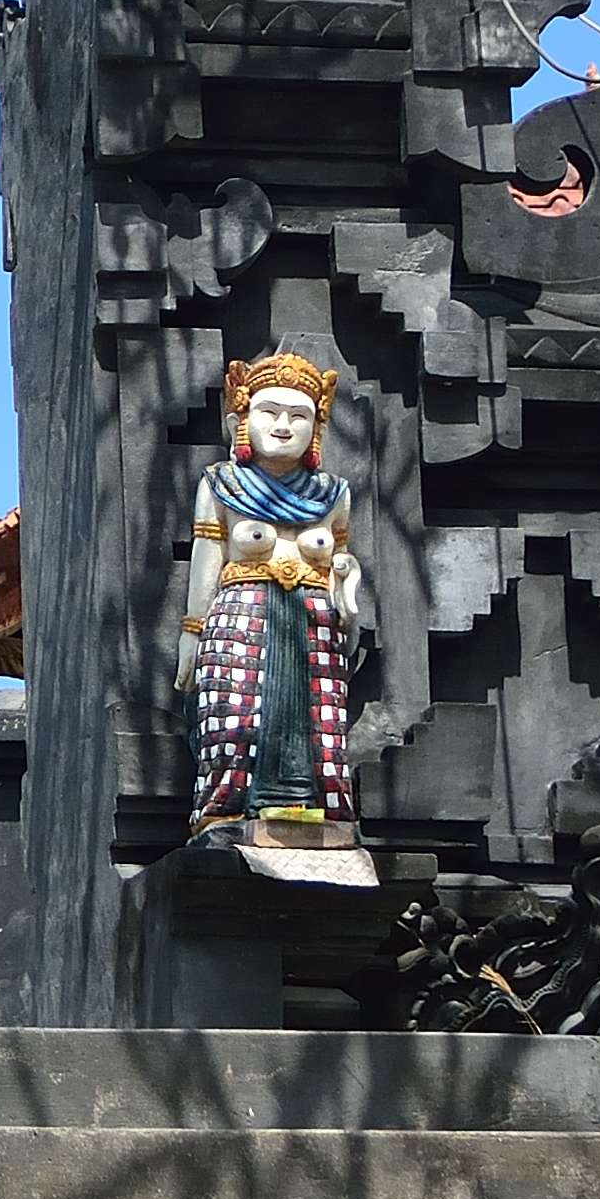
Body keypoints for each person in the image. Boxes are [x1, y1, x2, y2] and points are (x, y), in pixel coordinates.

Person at [186, 349, 366, 837]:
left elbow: (339, 563)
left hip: (314, 620)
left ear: (317, 429)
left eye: (299, 416)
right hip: (241, 613)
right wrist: (191, 639)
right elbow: (206, 562)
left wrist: (345, 580)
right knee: (235, 715)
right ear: (239, 421)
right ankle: (224, 809)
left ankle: (321, 811)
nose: (284, 426)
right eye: (270, 412)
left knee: (320, 725)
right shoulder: (221, 486)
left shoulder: (334, 495)